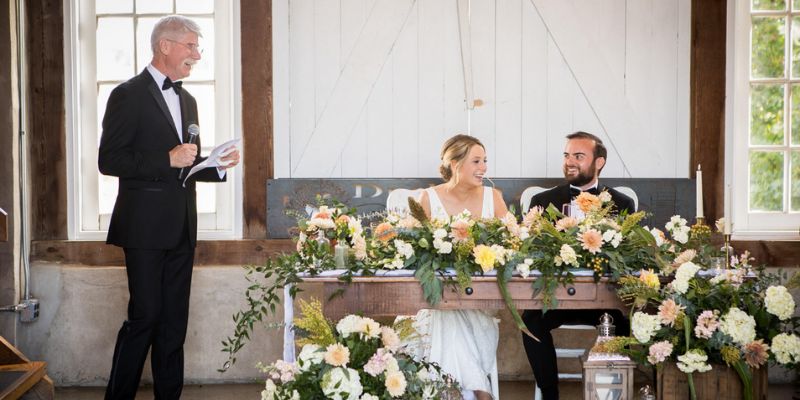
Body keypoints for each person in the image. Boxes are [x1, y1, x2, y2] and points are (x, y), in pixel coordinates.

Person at [98, 15, 240, 400]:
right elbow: (110, 160)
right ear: (165, 46)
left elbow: (185, 165)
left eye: (198, 47)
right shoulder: (127, 94)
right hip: (143, 228)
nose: (197, 54)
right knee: (145, 318)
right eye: (191, 46)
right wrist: (167, 159)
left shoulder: (187, 99)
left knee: (174, 323)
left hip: (181, 228)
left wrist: (216, 165)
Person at [521, 131, 634, 400]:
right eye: (567, 155)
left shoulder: (622, 204)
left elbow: (630, 257)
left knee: (626, 324)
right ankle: (549, 394)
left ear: (599, 162)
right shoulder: (541, 202)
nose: (570, 161)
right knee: (530, 321)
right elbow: (530, 251)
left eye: (579, 156)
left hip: (603, 300)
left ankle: (612, 394)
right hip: (556, 298)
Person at [412, 134, 508, 400]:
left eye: (485, 161)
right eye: (476, 161)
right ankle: (480, 392)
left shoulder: (494, 197)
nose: (484, 168)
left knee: (448, 317)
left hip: (481, 305)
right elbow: (414, 250)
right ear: (455, 164)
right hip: (436, 301)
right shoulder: (428, 199)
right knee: (445, 313)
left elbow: (513, 243)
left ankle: (450, 392)